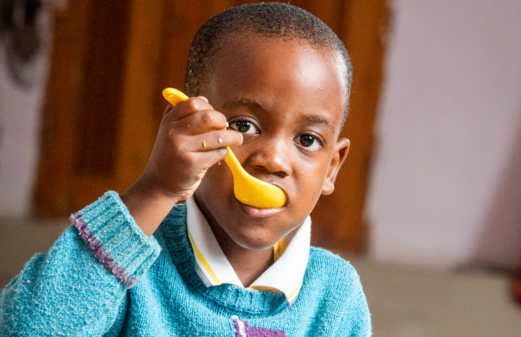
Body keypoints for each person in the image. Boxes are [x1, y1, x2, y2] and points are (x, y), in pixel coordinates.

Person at [0, 3, 371, 336]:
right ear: (185, 130)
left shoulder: (335, 298)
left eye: (307, 140)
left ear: (331, 168)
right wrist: (155, 189)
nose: (272, 160)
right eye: (243, 125)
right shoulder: (130, 264)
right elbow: (28, 328)